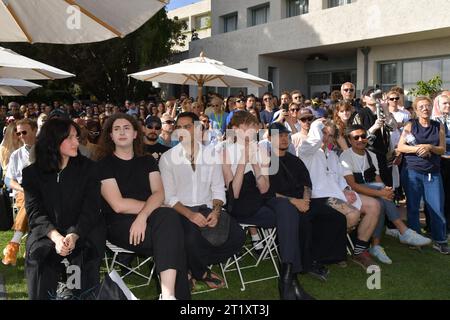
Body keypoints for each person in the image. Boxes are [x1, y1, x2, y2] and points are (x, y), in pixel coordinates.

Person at [96, 113, 190, 299]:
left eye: (126, 128)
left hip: (149, 219)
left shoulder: (147, 160)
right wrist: (148, 212)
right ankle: (172, 294)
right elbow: (118, 205)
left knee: (169, 222)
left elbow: (159, 193)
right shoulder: (102, 165)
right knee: (173, 235)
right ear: (110, 136)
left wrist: (143, 216)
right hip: (120, 225)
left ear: (135, 134)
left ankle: (168, 295)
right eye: (116, 129)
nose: (122, 132)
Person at [159, 112, 245, 291]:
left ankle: (189, 264)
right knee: (191, 238)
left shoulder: (211, 154)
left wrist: (216, 211)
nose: (182, 131)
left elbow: (218, 188)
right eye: (179, 127)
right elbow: (169, 197)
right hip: (179, 211)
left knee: (237, 236)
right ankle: (201, 272)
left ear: (197, 129)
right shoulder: (167, 158)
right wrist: (190, 215)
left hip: (207, 208)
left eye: (187, 126)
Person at [22, 118, 105, 299]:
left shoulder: (89, 169)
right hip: (47, 232)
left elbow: (91, 208)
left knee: (83, 257)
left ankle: (77, 294)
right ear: (54, 141)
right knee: (39, 255)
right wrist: (56, 237)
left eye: (77, 137)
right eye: (71, 138)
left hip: (83, 230)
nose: (77, 142)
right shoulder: (32, 174)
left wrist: (73, 235)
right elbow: (35, 212)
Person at [266, 122, 347, 298]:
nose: (283, 138)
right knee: (302, 221)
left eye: (285, 135)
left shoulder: (294, 160)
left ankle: (318, 257)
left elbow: (307, 184)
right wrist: (296, 202)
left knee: (337, 217)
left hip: (303, 200)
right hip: (282, 204)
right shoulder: (267, 161)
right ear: (269, 138)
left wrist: (306, 199)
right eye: (278, 135)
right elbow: (268, 192)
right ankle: (302, 267)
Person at [341, 125, 432, 264]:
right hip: (353, 193)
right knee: (381, 195)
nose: (360, 139)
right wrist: (381, 192)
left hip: (371, 190)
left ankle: (376, 246)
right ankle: (402, 230)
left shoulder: (371, 155)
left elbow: (377, 179)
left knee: (381, 201)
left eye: (363, 136)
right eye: (356, 137)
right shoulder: (346, 156)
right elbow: (353, 185)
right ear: (349, 140)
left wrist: (386, 191)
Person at [299, 119, 381, 269]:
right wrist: (318, 123)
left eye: (330, 135)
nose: (325, 137)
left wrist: (347, 190)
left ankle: (359, 251)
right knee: (353, 214)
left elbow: (340, 177)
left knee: (373, 205)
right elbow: (314, 141)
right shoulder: (306, 151)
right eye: (323, 133)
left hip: (337, 194)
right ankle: (330, 248)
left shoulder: (333, 155)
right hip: (320, 197)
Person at [397, 96, 448, 254]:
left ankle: (440, 240)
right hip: (412, 172)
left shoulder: (438, 125)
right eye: (421, 107)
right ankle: (415, 238)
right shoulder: (410, 125)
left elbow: (442, 149)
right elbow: (401, 147)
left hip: (433, 173)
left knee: (437, 207)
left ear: (431, 108)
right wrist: (419, 148)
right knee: (412, 207)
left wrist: (430, 147)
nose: (425, 109)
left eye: (427, 106)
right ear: (416, 110)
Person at [2, 119, 37, 266]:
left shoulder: (47, 151)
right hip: (23, 191)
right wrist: (21, 188)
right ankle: (17, 244)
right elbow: (8, 180)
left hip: (46, 190)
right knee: (30, 198)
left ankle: (14, 243)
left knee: (33, 198)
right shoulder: (16, 155)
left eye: (24, 132)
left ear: (35, 130)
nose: (21, 136)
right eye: (18, 133)